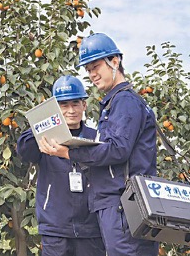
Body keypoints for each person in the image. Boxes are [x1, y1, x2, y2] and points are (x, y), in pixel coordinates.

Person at [38, 33, 159, 256]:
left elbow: (117, 149)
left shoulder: (124, 101)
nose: (92, 75)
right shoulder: (115, 102)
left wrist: (70, 153)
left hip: (124, 204)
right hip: (117, 205)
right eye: (88, 70)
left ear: (115, 62)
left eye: (96, 67)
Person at [16, 75, 105, 256]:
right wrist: (45, 125)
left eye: (75, 104)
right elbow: (23, 150)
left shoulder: (96, 137)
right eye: (64, 105)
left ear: (84, 105)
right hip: (55, 229)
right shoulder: (45, 137)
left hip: (90, 230)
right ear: (56, 108)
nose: (70, 110)